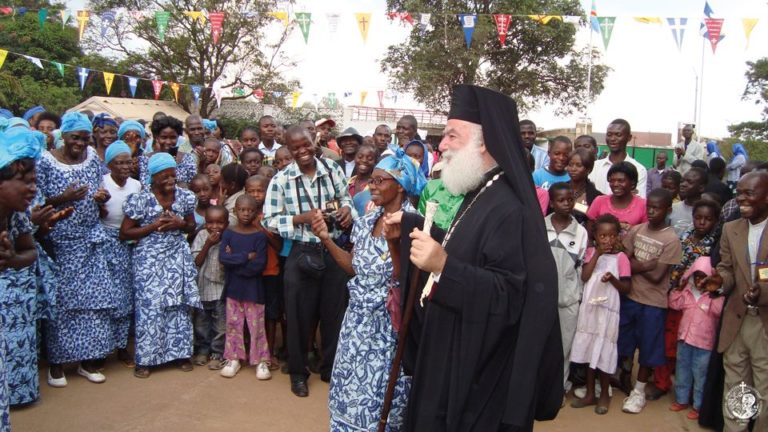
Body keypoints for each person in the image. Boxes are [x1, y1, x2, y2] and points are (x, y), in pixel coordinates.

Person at [385, 85, 562, 430]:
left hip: (478, 372)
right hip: (452, 353)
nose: (443, 145)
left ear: (484, 143)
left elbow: (510, 295)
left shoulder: (510, 209)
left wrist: (444, 266)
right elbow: (468, 246)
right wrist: (413, 224)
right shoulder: (480, 189)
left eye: (452, 135)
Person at [312, 150, 425, 431]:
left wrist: (392, 244)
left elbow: (407, 281)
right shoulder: (365, 223)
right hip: (357, 325)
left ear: (400, 185)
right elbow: (354, 267)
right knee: (349, 391)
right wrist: (326, 239)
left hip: (388, 328)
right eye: (370, 181)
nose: (371, 186)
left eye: (379, 181)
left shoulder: (415, 225)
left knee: (381, 397)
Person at [263, 126, 354, 397]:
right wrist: (301, 218)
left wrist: (347, 210)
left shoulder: (332, 169)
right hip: (302, 251)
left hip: (334, 249)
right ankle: (298, 373)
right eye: (295, 148)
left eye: (306, 145)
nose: (302, 151)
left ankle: (328, 369)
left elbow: (345, 197)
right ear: (288, 150)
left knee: (333, 315)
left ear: (314, 143)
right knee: (299, 317)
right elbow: (268, 220)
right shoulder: (281, 180)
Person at [37, 112, 115, 387]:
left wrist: (100, 196)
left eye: (84, 138)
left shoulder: (93, 158)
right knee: (63, 304)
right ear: (63, 136)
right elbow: (37, 200)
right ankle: (57, 366)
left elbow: (100, 188)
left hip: (91, 240)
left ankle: (87, 361)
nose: (80, 143)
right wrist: (64, 198)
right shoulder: (46, 161)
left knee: (93, 304)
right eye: (75, 138)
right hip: (60, 242)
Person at [120, 152, 201, 378]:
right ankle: (146, 360)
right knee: (150, 307)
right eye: (164, 176)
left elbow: (191, 227)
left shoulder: (184, 197)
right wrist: (154, 226)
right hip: (149, 258)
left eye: (173, 176)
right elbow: (125, 232)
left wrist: (179, 223)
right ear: (152, 177)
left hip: (176, 255)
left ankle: (181, 354)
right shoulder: (141, 199)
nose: (170, 181)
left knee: (178, 305)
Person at [700, 171, 768, 432]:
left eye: (749, 193)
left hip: (764, 324)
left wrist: (761, 292)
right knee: (737, 391)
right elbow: (727, 268)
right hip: (737, 320)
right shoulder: (731, 228)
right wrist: (720, 282)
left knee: (764, 395)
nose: (741, 199)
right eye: (739, 192)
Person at [619, 189, 682, 414]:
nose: (652, 211)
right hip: (630, 296)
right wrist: (645, 264)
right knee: (623, 342)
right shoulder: (637, 230)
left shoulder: (671, 239)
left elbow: (657, 277)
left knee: (647, 349)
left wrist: (635, 262)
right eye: (649, 207)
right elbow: (623, 259)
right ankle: (622, 379)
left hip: (653, 303)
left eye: (657, 207)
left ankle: (639, 391)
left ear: (668, 209)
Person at [651, 199, 720, 401]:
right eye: (698, 217)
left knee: (695, 348)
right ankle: (662, 382)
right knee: (669, 342)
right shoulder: (683, 237)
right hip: (678, 295)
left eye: (707, 219)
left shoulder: (716, 245)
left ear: (715, 221)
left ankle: (692, 392)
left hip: (701, 301)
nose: (702, 222)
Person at [0, 126, 45, 426]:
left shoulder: (15, 214)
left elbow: (31, 252)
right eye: (25, 182)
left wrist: (12, 259)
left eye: (34, 182)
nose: (33, 189)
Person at [570, 214, 631, 415]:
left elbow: (625, 288)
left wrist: (612, 279)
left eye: (612, 236)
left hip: (608, 312)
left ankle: (604, 393)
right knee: (589, 351)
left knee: (604, 351)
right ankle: (589, 393)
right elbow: (585, 276)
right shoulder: (590, 253)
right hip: (590, 310)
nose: (607, 240)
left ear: (617, 237)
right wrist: (596, 254)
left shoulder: (621, 258)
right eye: (603, 236)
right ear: (595, 237)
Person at [218, 195, 271, 379]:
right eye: (242, 209)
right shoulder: (229, 233)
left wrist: (235, 263)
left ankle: (261, 360)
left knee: (256, 326)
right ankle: (234, 358)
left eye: (250, 210)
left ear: (256, 212)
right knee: (233, 324)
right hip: (234, 289)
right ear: (235, 211)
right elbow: (223, 258)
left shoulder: (259, 236)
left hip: (254, 290)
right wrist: (245, 257)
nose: (246, 213)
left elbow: (259, 265)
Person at [99, 141, 142, 367]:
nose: (125, 167)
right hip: (105, 242)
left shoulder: (136, 186)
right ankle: (102, 349)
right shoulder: (102, 184)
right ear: (109, 165)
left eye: (128, 162)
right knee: (107, 296)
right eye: (120, 163)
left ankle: (123, 347)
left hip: (129, 244)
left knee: (126, 297)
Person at [545, 183, 588, 397]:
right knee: (540, 346)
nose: (566, 204)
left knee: (564, 348)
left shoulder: (580, 232)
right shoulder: (540, 226)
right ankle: (538, 388)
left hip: (568, 300)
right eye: (561, 200)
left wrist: (577, 297)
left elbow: (580, 268)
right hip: (542, 299)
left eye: (570, 199)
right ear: (552, 203)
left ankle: (558, 389)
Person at [668, 256, 724, 421]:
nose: (700, 281)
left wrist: (714, 292)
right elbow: (674, 304)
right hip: (684, 340)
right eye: (697, 276)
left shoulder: (714, 298)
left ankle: (698, 406)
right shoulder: (687, 292)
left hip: (704, 344)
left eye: (703, 277)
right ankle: (681, 400)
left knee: (700, 375)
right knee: (682, 371)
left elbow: (719, 312)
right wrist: (679, 287)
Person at [245, 175, 284, 370]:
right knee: (249, 310)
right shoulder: (242, 215)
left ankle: (269, 351)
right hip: (249, 273)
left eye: (259, 190)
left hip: (270, 270)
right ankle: (251, 348)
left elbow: (278, 245)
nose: (255, 195)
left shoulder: (271, 215)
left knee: (270, 313)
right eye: (251, 191)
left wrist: (262, 229)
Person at [191, 205, 228, 371]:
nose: (215, 226)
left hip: (222, 289)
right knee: (201, 323)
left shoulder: (229, 237)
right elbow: (196, 262)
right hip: (203, 288)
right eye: (210, 222)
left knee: (221, 324)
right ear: (205, 223)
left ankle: (217, 352)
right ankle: (203, 349)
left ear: (227, 223)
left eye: (220, 222)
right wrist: (208, 244)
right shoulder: (201, 235)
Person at [590, 119, 648, 198]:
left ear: (629, 137)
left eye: (618, 135)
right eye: (609, 135)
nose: (612, 139)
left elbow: (637, 200)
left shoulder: (639, 169)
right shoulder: (594, 166)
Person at [586, 162, 648, 232]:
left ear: (633, 183)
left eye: (621, 181)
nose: (615, 184)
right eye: (612, 181)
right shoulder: (599, 201)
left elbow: (646, 234)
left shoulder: (643, 205)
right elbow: (590, 232)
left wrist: (631, 230)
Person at [139, 116, 197, 187]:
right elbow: (144, 185)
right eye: (164, 137)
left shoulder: (186, 158)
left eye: (173, 137)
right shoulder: (146, 159)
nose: (168, 142)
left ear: (178, 137)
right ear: (157, 137)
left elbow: (193, 184)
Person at [567, 148, 603, 226]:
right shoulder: (559, 189)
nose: (573, 169)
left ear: (589, 169)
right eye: (570, 165)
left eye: (579, 165)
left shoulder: (596, 196)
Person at [669, 167, 707, 236]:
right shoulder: (672, 208)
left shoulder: (707, 213)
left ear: (701, 188)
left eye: (689, 182)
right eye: (682, 181)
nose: (683, 184)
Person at [348, 145, 376, 215]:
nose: (364, 160)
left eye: (369, 158)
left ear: (375, 161)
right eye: (360, 157)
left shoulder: (375, 186)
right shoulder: (347, 183)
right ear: (354, 158)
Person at [220, 163, 248, 227]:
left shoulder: (238, 203)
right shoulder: (230, 195)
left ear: (232, 185)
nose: (220, 185)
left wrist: (219, 205)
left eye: (222, 182)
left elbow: (226, 225)